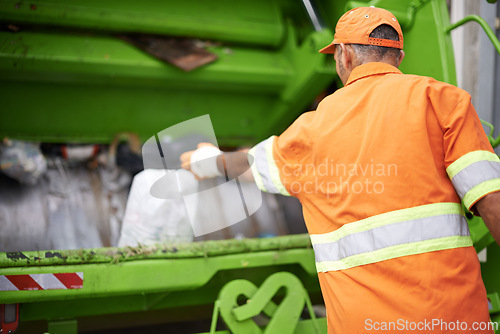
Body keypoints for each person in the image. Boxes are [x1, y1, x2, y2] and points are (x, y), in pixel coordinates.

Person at [181, 6, 500, 333]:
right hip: (454, 320)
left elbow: (251, 165)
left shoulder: (312, 129)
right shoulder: (445, 100)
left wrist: (209, 161)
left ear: (345, 56)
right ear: (399, 56)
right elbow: (491, 200)